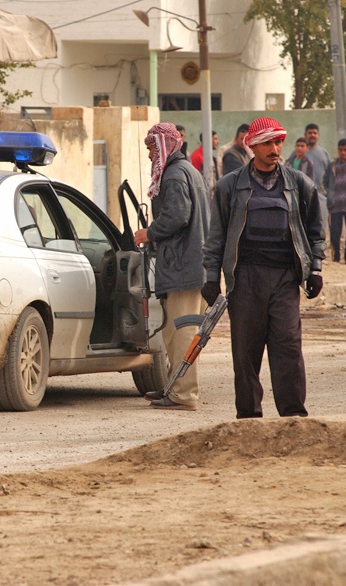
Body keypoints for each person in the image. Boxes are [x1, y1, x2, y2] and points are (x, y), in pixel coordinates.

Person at [201, 116, 324, 419]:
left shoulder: (298, 184)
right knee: (245, 352)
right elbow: (216, 236)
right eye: (268, 143)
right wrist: (210, 277)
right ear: (252, 146)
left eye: (278, 142)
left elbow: (315, 230)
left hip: (284, 279)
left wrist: (315, 268)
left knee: (288, 347)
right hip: (244, 280)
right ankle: (248, 417)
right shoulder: (230, 187)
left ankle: (293, 416)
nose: (275, 148)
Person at [133, 123, 210, 411]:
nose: (149, 153)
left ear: (163, 145)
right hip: (188, 265)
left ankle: (184, 395)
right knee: (174, 332)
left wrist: (149, 233)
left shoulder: (175, 175)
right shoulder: (187, 171)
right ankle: (174, 387)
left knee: (183, 334)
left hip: (184, 267)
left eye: (151, 147)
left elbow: (178, 215)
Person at [286, 123, 330, 242]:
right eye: (310, 133)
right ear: (305, 134)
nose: (312, 135)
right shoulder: (293, 156)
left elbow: (329, 174)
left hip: (320, 196)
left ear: (318, 135)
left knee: (318, 226)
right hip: (298, 196)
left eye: (315, 133)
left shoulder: (323, 153)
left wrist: (328, 192)